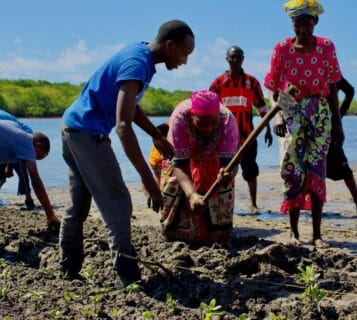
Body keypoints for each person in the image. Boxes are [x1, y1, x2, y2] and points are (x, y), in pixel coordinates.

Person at [60, 20, 195, 288]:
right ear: (170, 46)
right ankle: (128, 276)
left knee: (78, 205)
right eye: (184, 53)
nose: (185, 61)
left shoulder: (142, 55)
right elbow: (122, 126)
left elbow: (130, 105)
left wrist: (155, 135)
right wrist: (148, 180)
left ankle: (67, 270)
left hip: (71, 127)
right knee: (119, 204)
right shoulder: (138, 63)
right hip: (88, 134)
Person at [264, 0, 344, 248]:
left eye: (307, 24)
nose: (302, 30)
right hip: (290, 107)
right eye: (297, 25)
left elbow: (331, 88)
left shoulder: (326, 47)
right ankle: (294, 232)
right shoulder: (282, 48)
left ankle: (317, 234)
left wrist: (338, 124)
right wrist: (276, 116)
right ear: (292, 24)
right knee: (291, 169)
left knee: (316, 170)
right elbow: (273, 88)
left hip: (319, 111)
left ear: (315, 23)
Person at [159, 90, 238, 246]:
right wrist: (192, 195)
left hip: (213, 160)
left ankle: (217, 236)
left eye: (213, 123)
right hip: (182, 162)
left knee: (223, 186)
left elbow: (231, 164)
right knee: (174, 183)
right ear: (192, 116)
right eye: (202, 123)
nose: (208, 128)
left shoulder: (228, 120)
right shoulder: (180, 118)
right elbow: (179, 164)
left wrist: (227, 173)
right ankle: (175, 233)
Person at [209, 46, 272, 214]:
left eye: (238, 57)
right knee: (224, 171)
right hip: (223, 138)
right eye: (232, 57)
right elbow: (209, 110)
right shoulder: (218, 83)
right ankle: (222, 203)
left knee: (250, 170)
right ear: (227, 59)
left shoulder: (252, 82)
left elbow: (262, 107)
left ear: (243, 59)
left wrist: (267, 128)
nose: (235, 60)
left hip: (247, 136)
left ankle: (253, 203)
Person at [0, 110, 61, 229]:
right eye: (37, 156)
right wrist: (50, 215)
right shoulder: (27, 142)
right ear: (38, 145)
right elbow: (36, 181)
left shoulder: (17, 128)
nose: (33, 159)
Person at [327, 77, 357, 218]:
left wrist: (338, 117)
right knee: (315, 171)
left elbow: (350, 91)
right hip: (323, 128)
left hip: (329, 130)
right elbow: (350, 91)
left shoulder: (331, 73)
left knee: (344, 171)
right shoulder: (323, 71)